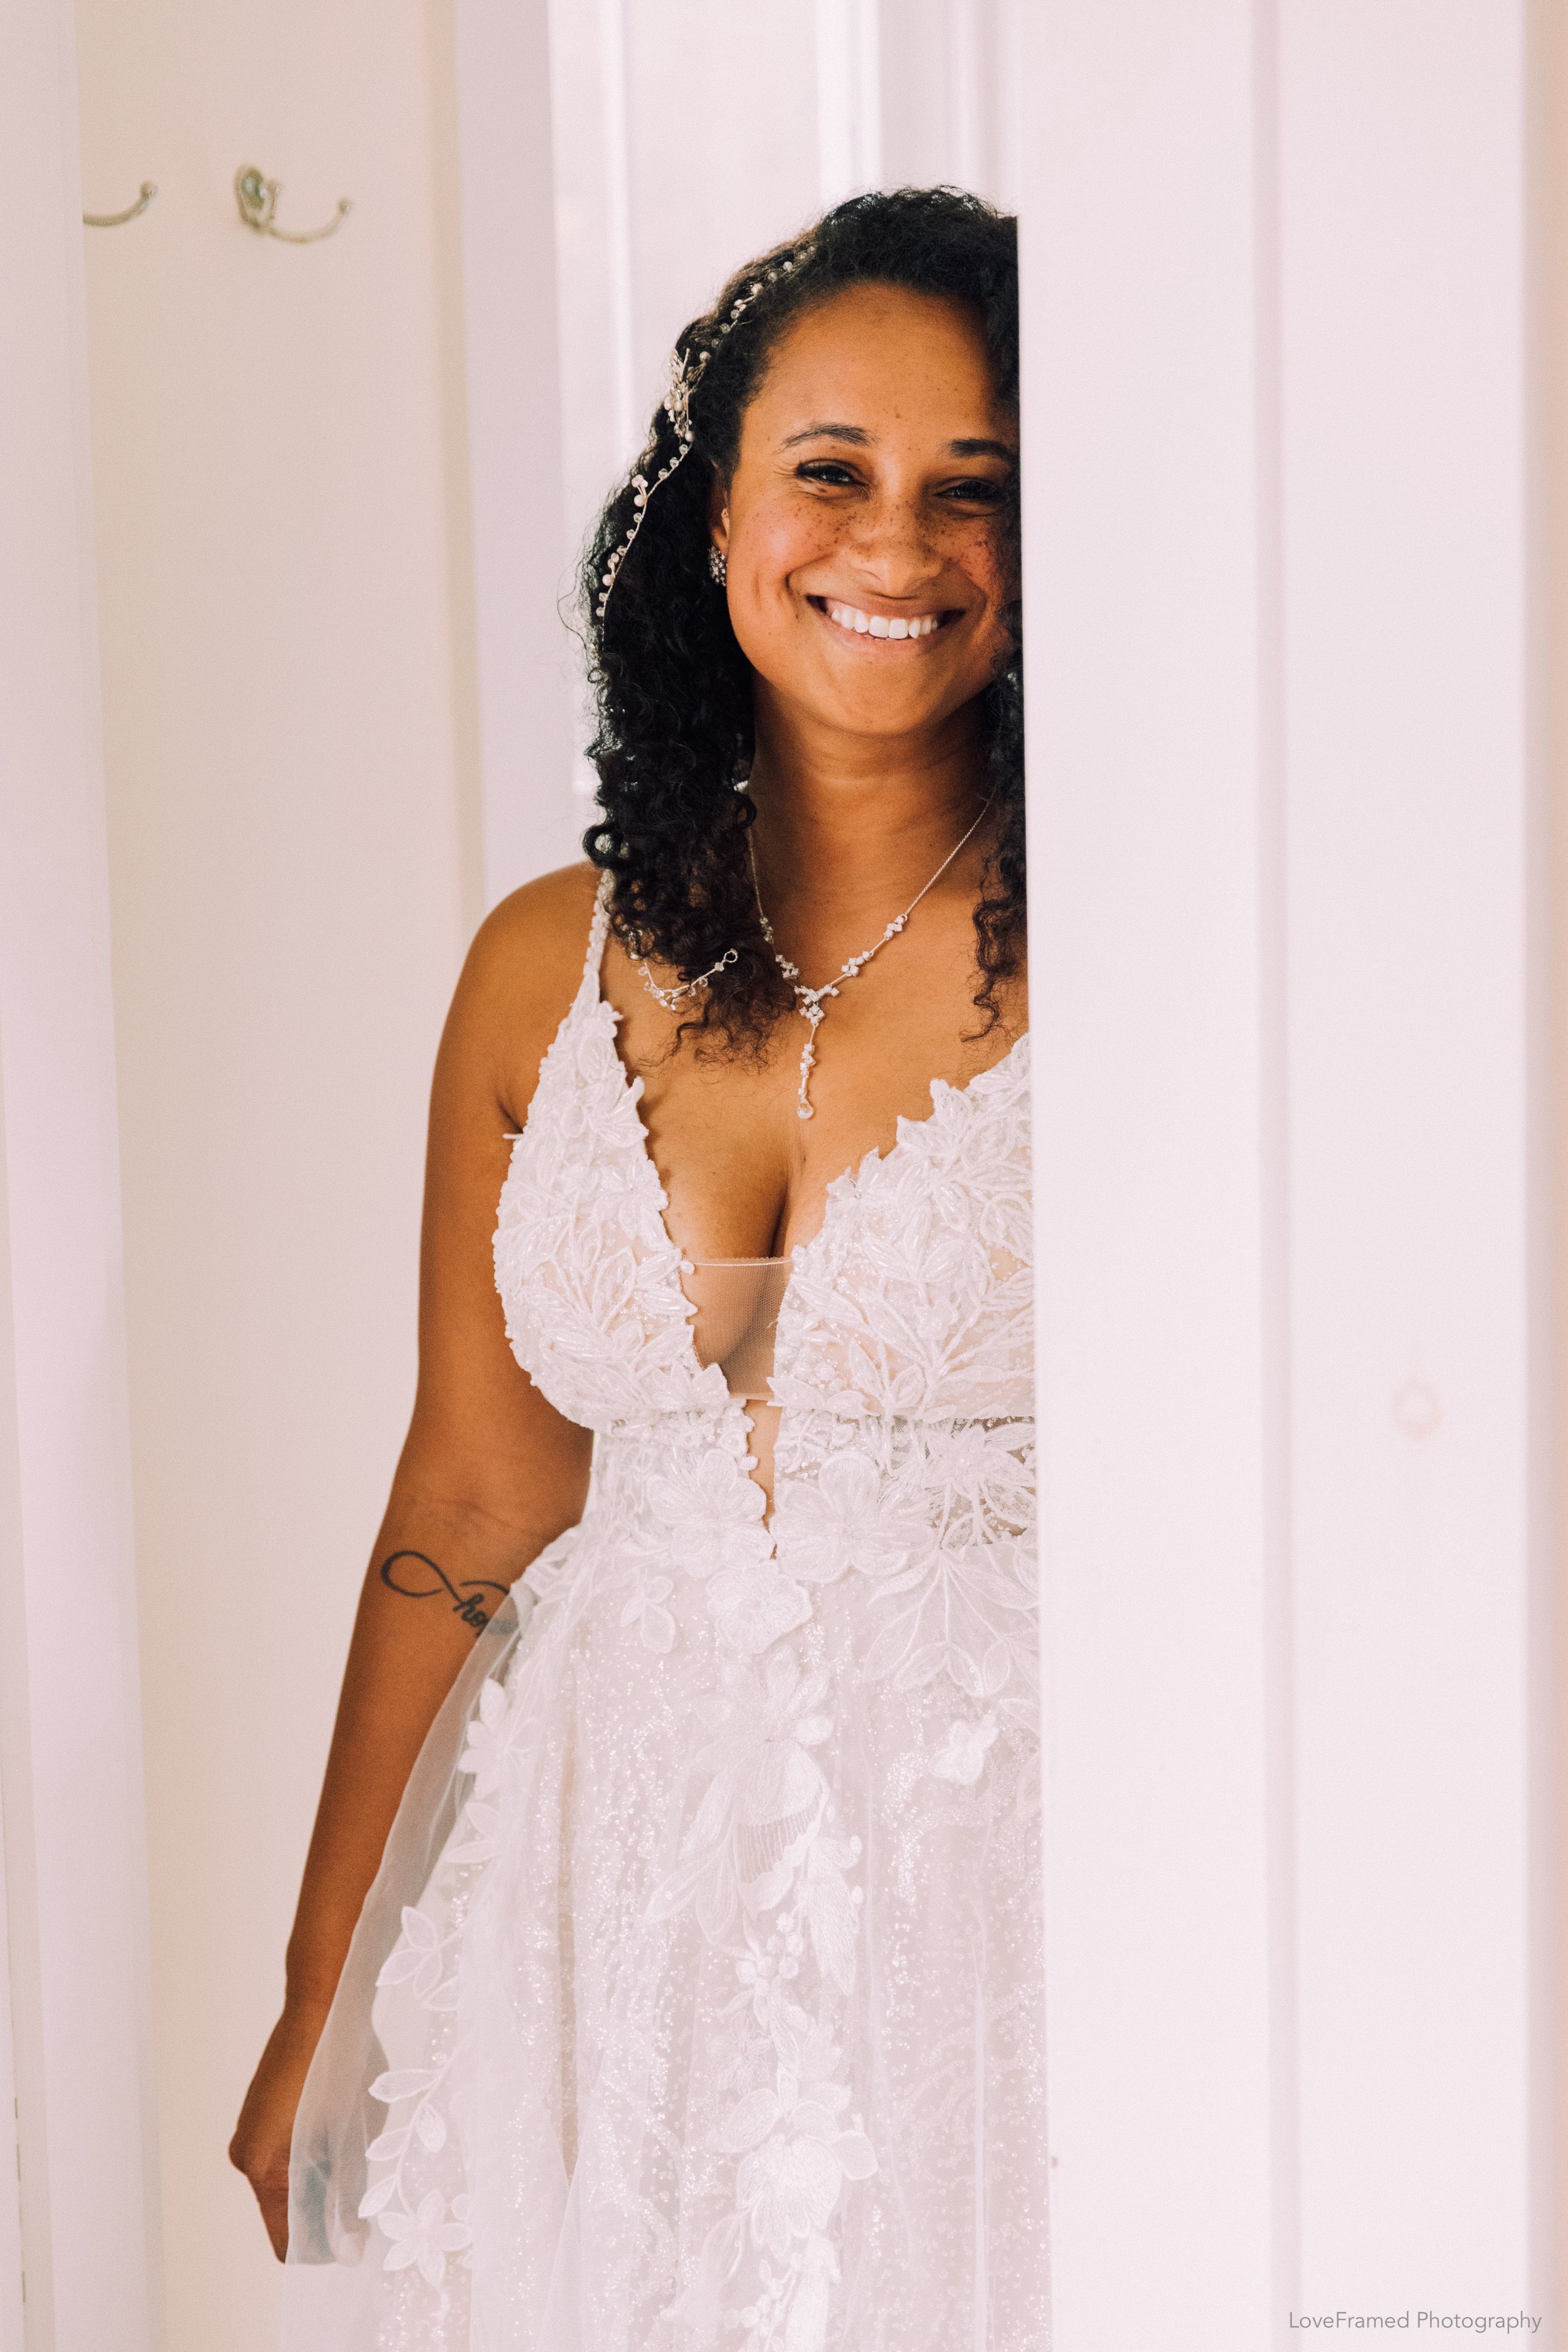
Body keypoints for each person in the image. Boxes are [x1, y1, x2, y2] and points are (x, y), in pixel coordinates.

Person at [231, 185, 1046, 2351]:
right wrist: (328, 1985)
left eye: (976, 493)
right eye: (832, 475)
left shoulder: (1133, 959)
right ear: (713, 522)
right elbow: (472, 1508)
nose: (896, 548)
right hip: (610, 1890)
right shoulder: (537, 968)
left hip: (996, 1900)